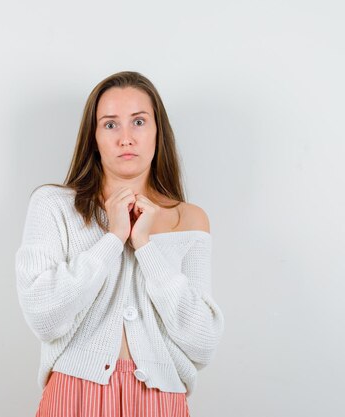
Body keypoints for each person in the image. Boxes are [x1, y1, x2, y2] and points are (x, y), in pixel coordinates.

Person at [15, 71, 225, 417]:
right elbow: (44, 317)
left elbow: (202, 344)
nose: (126, 138)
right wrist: (113, 239)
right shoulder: (54, 205)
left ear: (158, 132)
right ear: (93, 137)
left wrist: (145, 245)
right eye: (110, 125)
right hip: (74, 396)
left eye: (139, 122)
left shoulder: (189, 219)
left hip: (161, 400)